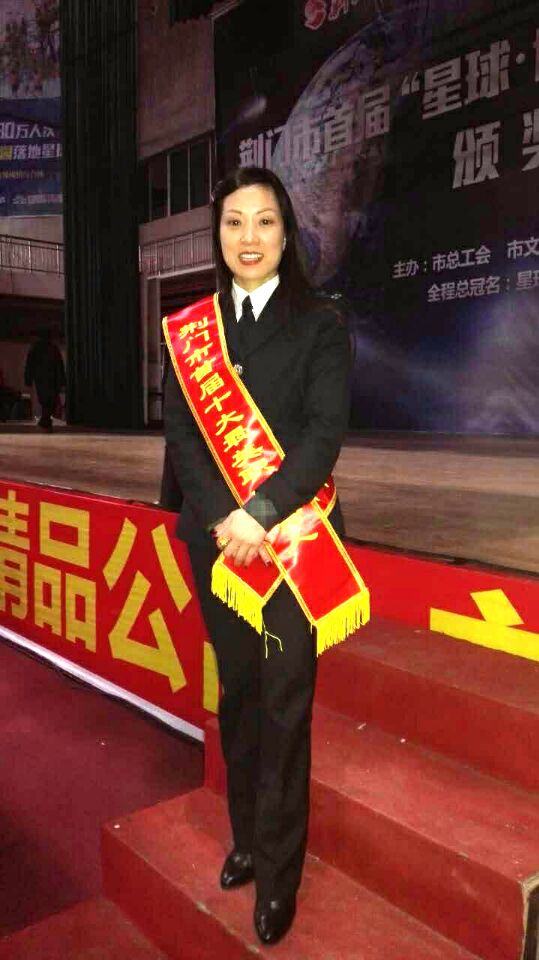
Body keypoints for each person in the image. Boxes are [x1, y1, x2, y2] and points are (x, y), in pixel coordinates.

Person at [163, 166, 368, 945]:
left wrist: (261, 512)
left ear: (287, 233)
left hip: (291, 540)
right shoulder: (192, 333)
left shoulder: (321, 324)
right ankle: (247, 837)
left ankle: (278, 876)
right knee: (240, 695)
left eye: (264, 222)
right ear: (217, 234)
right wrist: (225, 519)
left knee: (284, 703)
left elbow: (322, 435)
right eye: (233, 223)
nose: (248, 238)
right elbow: (184, 437)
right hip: (219, 544)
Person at [24, 328, 65, 431]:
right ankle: (45, 420)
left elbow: (30, 365)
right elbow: (59, 366)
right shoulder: (53, 348)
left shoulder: (35, 348)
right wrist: (62, 381)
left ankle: (45, 420)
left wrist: (28, 379)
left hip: (41, 378)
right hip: (52, 379)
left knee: (44, 400)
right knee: (50, 401)